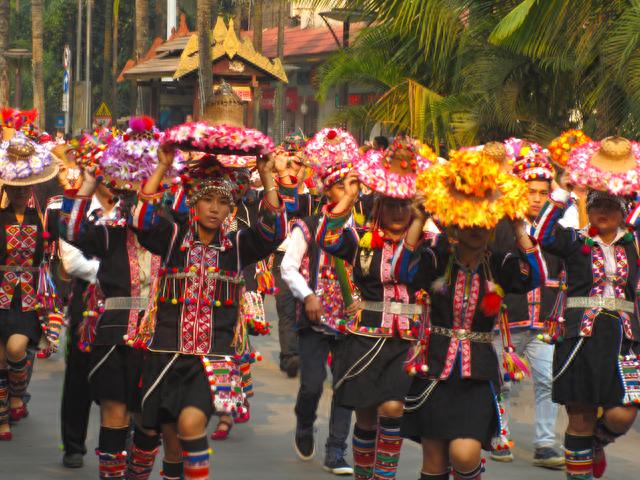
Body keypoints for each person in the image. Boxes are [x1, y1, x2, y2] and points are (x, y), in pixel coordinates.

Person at [131, 135, 288, 480]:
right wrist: (161, 165)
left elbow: (274, 232)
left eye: (223, 202)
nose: (216, 209)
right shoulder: (172, 238)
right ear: (193, 203)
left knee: (190, 425)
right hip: (165, 354)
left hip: (211, 358)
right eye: (209, 201)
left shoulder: (237, 246)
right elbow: (141, 220)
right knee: (165, 441)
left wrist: (267, 178)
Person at [393, 148, 543, 480]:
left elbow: (535, 277)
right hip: (435, 369)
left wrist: (519, 228)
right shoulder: (436, 259)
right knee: (433, 463)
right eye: (468, 221)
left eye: (483, 222)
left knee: (464, 454)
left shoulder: (500, 264)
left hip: (477, 374)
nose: (475, 228)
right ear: (456, 223)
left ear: (491, 226)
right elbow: (401, 271)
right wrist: (418, 219)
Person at [59, 119, 171, 479]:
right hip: (113, 335)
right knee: (115, 413)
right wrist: (90, 179)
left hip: (159, 338)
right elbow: (71, 229)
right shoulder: (111, 231)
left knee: (149, 423)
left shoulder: (171, 229)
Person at [316, 136, 433, 480]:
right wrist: (349, 196)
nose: (398, 212)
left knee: (393, 407)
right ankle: (364, 474)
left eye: (405, 205)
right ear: (378, 206)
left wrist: (423, 219)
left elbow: (406, 270)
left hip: (406, 341)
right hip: (364, 338)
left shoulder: (429, 246)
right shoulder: (361, 240)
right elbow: (328, 239)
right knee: (366, 415)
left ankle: (386, 476)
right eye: (391, 205)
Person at [532, 136, 640, 479]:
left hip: (624, 340)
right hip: (581, 335)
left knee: (623, 413)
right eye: (596, 206)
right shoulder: (575, 242)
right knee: (579, 415)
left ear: (623, 212)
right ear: (588, 209)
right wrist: (563, 190)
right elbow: (542, 235)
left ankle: (596, 445)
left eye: (611, 206)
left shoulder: (633, 243)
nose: (603, 212)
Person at [281, 128, 358, 475]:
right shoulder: (309, 226)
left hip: (352, 322)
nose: (348, 193)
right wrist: (308, 294)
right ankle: (304, 422)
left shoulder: (366, 228)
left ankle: (336, 450)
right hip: (314, 320)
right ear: (328, 190)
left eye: (352, 186)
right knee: (312, 384)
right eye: (341, 186)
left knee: (345, 387)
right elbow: (288, 267)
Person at [489, 145, 564, 468]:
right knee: (500, 379)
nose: (536, 198)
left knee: (549, 379)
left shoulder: (557, 229)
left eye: (542, 192)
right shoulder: (500, 226)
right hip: (506, 319)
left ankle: (545, 442)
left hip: (543, 322)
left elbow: (565, 272)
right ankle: (498, 434)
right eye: (530, 191)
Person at [0, 131, 60, 441]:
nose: (21, 193)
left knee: (16, 348)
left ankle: (17, 395)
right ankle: (3, 421)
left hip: (28, 297)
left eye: (26, 189)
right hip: (0, 292)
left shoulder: (43, 218)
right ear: (7, 187)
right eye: (15, 188)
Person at [272, 133, 313, 377]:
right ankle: (290, 355)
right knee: (286, 306)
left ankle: (305, 352)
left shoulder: (316, 194)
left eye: (296, 164)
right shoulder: (274, 192)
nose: (291, 169)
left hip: (309, 258)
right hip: (282, 256)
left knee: (306, 307)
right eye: (287, 163)